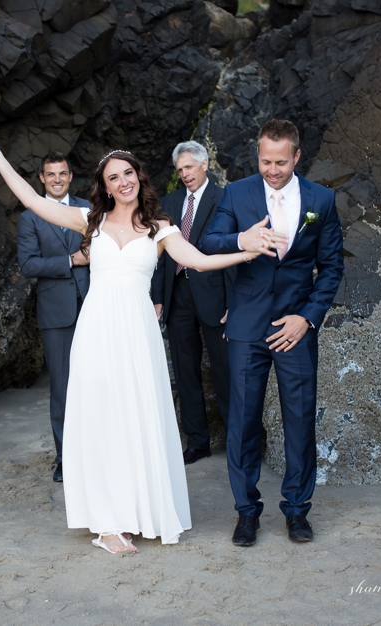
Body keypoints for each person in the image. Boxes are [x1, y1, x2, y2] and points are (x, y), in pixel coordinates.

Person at [0, 136, 276, 554]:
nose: (123, 181)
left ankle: (141, 510)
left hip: (139, 331)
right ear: (105, 186)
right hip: (97, 330)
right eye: (114, 177)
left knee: (139, 415)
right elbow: (34, 203)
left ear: (137, 177)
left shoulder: (159, 228)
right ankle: (108, 523)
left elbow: (198, 260)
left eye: (128, 173)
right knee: (102, 417)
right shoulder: (89, 221)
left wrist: (244, 248)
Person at [199, 119, 344, 547]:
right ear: (257, 156)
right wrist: (241, 238)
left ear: (297, 157)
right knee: (242, 423)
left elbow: (332, 267)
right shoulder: (237, 192)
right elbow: (208, 242)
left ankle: (297, 511)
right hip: (246, 327)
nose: (273, 169)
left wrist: (308, 317)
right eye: (265, 161)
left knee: (300, 420)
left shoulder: (322, 200)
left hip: (295, 326)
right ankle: (247, 513)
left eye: (281, 162)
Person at [151, 141, 232, 465]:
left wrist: (233, 302)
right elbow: (158, 256)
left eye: (189, 167)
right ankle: (197, 442)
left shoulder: (224, 197)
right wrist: (157, 297)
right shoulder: (169, 203)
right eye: (180, 169)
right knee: (185, 371)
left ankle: (235, 438)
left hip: (215, 295)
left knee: (224, 369)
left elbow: (230, 252)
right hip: (177, 295)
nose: (185, 174)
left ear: (204, 164)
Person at [17, 151, 91, 483]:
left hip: (94, 307)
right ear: (42, 179)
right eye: (51, 175)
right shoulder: (30, 216)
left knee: (95, 385)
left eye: (63, 173)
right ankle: (65, 457)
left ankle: (95, 453)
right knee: (61, 388)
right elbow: (28, 265)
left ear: (71, 176)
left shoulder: (89, 209)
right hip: (56, 313)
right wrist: (70, 261)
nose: (57, 179)